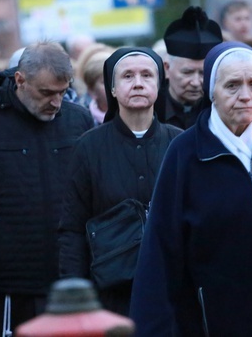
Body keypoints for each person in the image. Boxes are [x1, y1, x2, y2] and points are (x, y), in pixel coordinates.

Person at [130, 42, 252, 336]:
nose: (245, 96)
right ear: (212, 91)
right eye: (232, 85)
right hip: (219, 321)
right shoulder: (185, 153)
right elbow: (160, 251)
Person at [0, 41, 94, 334]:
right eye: (46, 93)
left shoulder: (78, 120)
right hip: (6, 286)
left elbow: (90, 198)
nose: (56, 103)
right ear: (20, 80)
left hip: (70, 278)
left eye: (63, 93)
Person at [59, 47, 182, 315]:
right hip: (111, 295)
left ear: (159, 85)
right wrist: (77, 293)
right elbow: (72, 227)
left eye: (147, 75)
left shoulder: (180, 143)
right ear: (112, 89)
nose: (138, 83)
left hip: (174, 291)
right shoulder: (88, 147)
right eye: (127, 76)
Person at [155, 6, 223, 130]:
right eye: (187, 72)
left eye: (203, 73)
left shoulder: (221, 111)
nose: (196, 83)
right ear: (166, 68)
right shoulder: (150, 111)